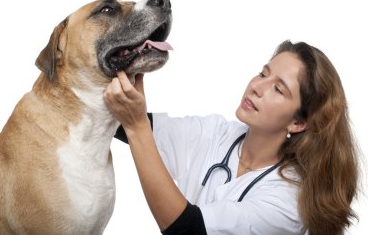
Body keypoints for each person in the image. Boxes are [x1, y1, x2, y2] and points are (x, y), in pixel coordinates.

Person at [103, 40, 359, 235]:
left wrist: (135, 125)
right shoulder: (218, 133)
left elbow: (186, 230)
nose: (257, 87)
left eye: (278, 89)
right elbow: (123, 124)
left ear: (299, 122)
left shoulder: (289, 202)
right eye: (263, 73)